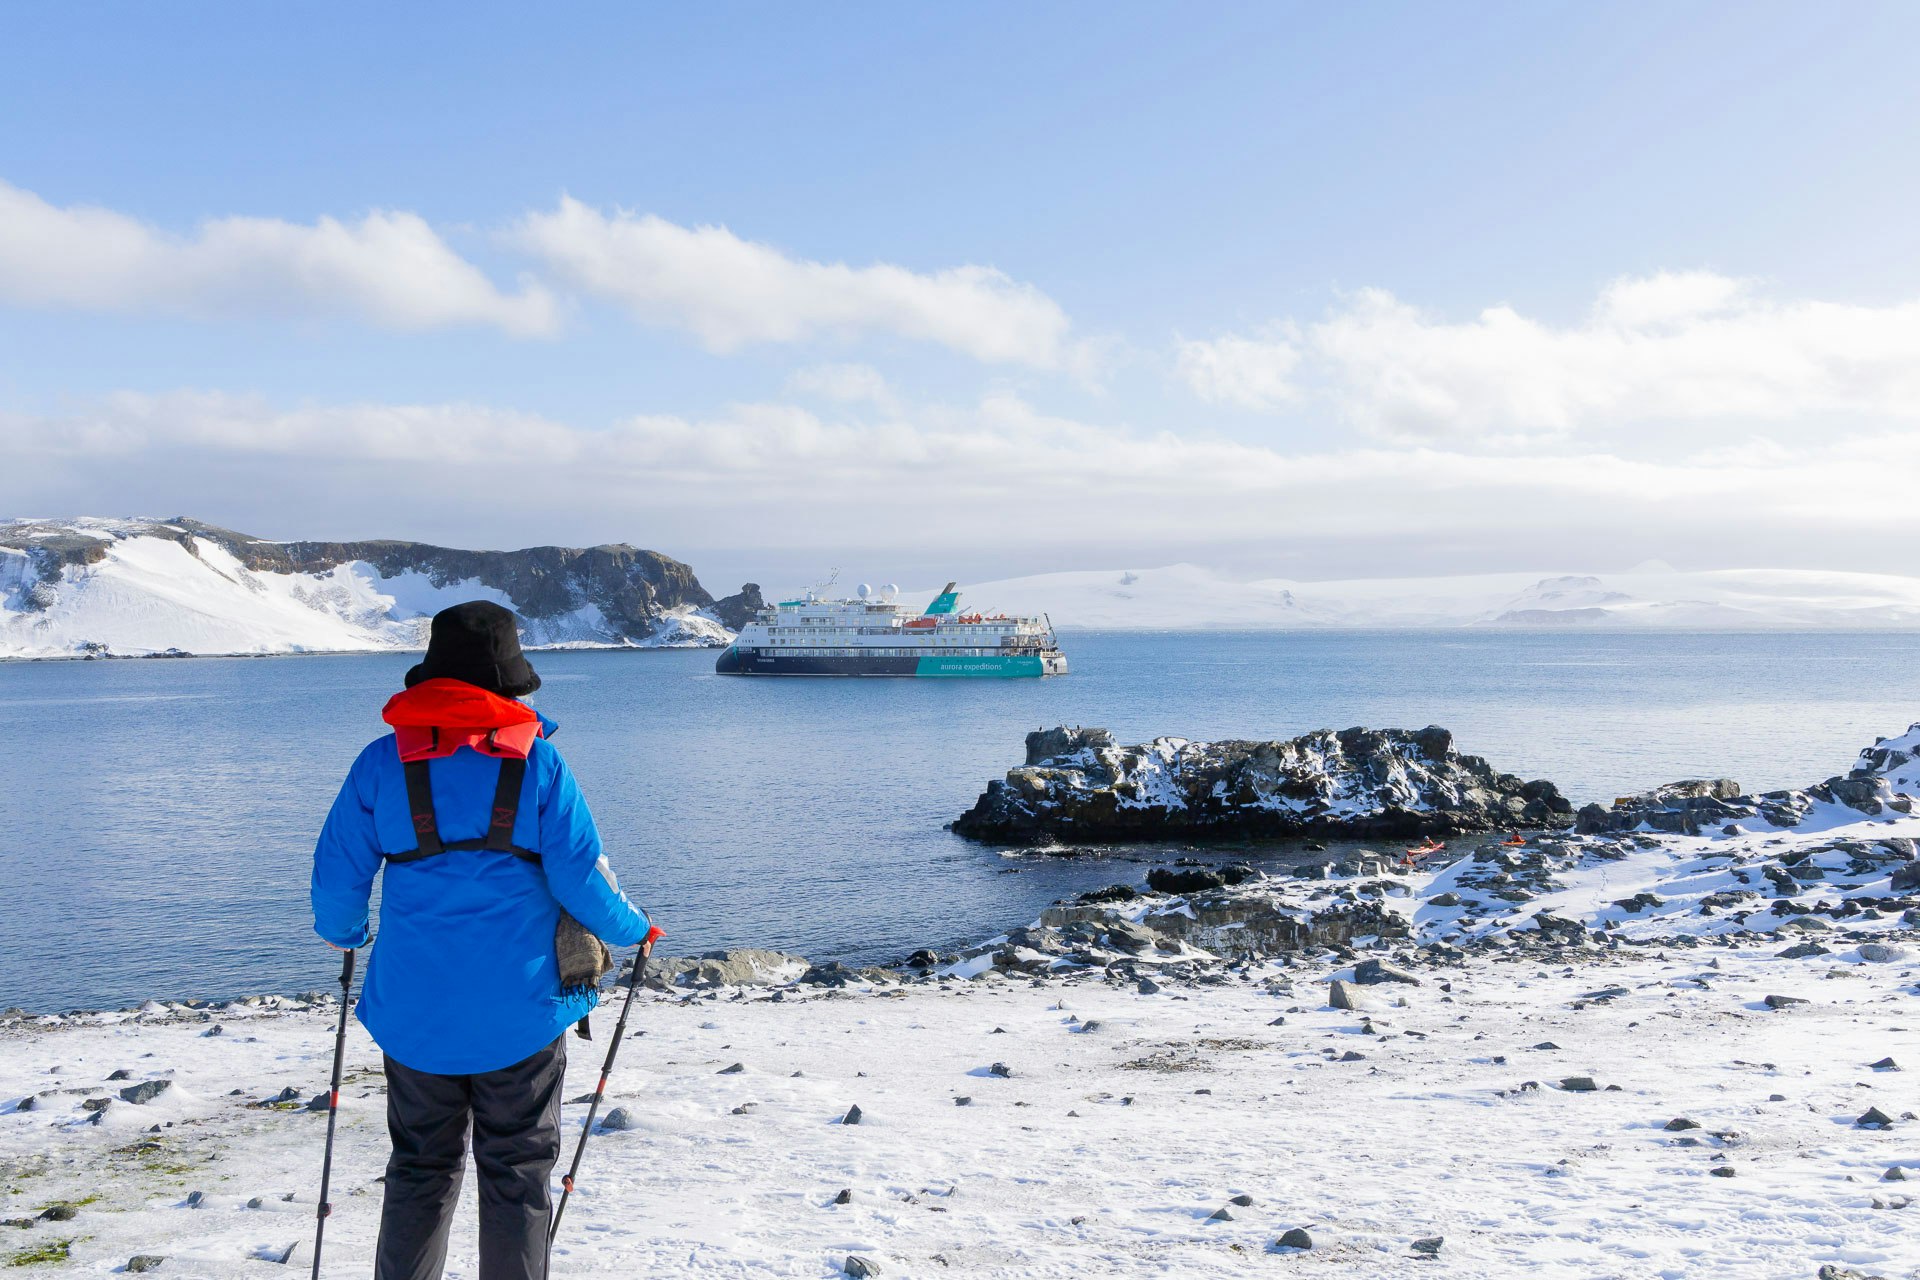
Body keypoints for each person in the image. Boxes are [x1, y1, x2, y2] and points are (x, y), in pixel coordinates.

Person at [311, 600, 652, 1280]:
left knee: (419, 1169)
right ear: (510, 684)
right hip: (520, 1015)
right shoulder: (540, 766)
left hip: (413, 1014)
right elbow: (582, 879)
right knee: (518, 1174)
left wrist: (347, 933)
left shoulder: (381, 764)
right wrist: (636, 931)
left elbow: (335, 885)